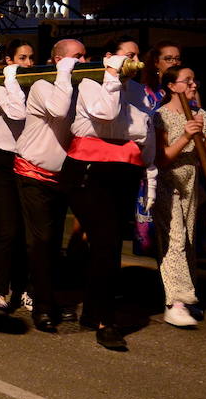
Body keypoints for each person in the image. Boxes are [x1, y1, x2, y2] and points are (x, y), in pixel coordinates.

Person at [65, 45, 154, 351]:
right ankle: (106, 321)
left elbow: (145, 130)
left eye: (135, 55)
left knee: (112, 242)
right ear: (109, 57)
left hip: (124, 170)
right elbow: (106, 113)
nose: (132, 59)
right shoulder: (91, 81)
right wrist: (113, 77)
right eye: (125, 54)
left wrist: (150, 178)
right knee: (104, 241)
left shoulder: (139, 89)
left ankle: (92, 311)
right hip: (89, 170)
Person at [14, 40, 84, 332]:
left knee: (53, 243)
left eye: (84, 56)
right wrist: (64, 73)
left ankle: (47, 296)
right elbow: (58, 109)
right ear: (58, 60)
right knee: (41, 241)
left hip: (61, 175)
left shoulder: (82, 88)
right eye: (75, 57)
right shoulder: (44, 85)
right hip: (33, 173)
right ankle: (42, 307)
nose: (82, 61)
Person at [153, 67, 206, 328]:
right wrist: (186, 136)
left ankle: (188, 298)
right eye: (186, 80)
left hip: (191, 181)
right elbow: (161, 159)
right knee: (175, 237)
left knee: (187, 238)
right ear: (172, 86)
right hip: (168, 183)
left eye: (194, 79)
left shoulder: (200, 115)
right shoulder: (161, 117)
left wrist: (201, 136)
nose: (193, 84)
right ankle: (175, 302)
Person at [0, 40, 34, 316]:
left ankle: (27, 289)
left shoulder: (34, 88)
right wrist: (11, 77)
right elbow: (18, 112)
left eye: (30, 58)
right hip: (3, 162)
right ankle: (1, 293)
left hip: (27, 160)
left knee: (28, 233)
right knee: (7, 231)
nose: (28, 64)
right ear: (8, 61)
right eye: (22, 58)